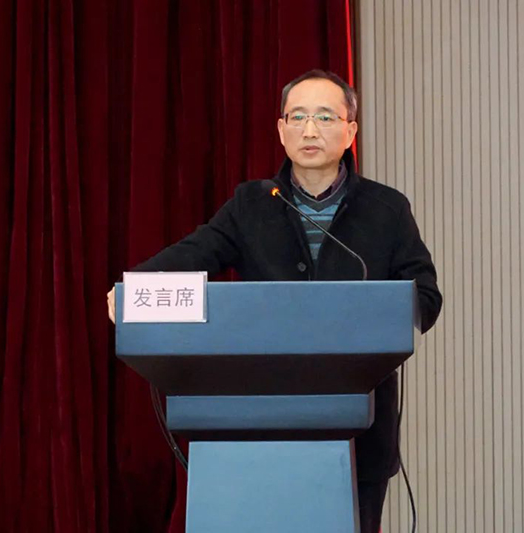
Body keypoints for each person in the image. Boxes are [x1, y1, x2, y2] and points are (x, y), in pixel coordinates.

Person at [107, 69, 442, 532]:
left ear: (350, 131)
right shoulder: (253, 203)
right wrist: (135, 289)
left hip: (360, 431)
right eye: (297, 117)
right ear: (281, 130)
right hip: (254, 427)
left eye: (325, 117)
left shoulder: (387, 209)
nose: (310, 129)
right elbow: (195, 252)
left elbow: (425, 295)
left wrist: (380, 315)